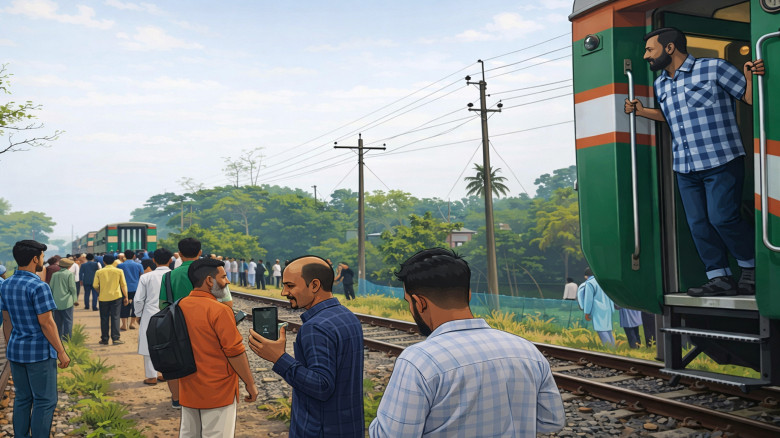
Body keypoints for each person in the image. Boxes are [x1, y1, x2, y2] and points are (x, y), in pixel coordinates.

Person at [625, 27, 765, 297]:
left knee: (723, 218)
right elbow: (671, 116)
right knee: (698, 224)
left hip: (721, 158)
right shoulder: (661, 83)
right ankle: (719, 277)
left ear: (669, 48)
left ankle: (752, 269)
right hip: (685, 165)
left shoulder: (715, 68)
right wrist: (642, 111)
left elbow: (747, 98)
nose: (645, 56)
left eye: (649, 50)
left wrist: (751, 77)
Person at [368, 248, 564, 437]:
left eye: (408, 302)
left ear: (420, 303)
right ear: (468, 294)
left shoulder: (418, 361)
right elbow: (551, 421)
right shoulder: (526, 350)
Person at [249, 256, 364, 437]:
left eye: (290, 286)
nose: (284, 292)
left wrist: (278, 358)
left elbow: (322, 386)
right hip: (348, 427)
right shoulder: (348, 316)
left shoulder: (314, 327)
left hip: (318, 429)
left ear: (314, 285)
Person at [178, 259, 258, 437]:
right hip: (219, 391)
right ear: (209, 280)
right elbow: (235, 352)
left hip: (188, 388)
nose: (227, 281)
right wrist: (250, 383)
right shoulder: (220, 311)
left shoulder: (180, 306)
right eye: (223, 277)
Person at [0, 240, 70, 438]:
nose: (42, 260)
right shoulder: (39, 287)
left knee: (22, 398)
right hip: (39, 353)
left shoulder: (6, 285)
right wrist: (61, 351)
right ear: (34, 258)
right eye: (40, 256)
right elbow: (47, 323)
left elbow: (7, 320)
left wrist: (10, 345)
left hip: (16, 350)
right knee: (45, 401)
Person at [134, 248, 172, 385]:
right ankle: (165, 373)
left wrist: (138, 315)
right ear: (170, 260)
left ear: (154, 260)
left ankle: (151, 376)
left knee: (148, 343)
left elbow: (138, 300)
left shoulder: (146, 277)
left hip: (149, 314)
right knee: (168, 343)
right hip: (170, 313)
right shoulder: (174, 275)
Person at [93, 254, 129, 346]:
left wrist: (100, 292)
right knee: (115, 317)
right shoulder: (119, 271)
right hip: (116, 297)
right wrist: (126, 297)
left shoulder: (99, 272)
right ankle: (115, 338)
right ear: (114, 261)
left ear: (104, 262)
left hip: (103, 297)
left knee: (104, 318)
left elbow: (95, 285)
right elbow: (123, 284)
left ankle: (104, 339)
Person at [580, 268, 615, 346]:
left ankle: (609, 348)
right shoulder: (604, 282)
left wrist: (587, 312)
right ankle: (613, 348)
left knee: (601, 329)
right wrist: (612, 309)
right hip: (608, 309)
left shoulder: (590, 283)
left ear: (586, 276)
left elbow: (588, 300)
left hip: (597, 309)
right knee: (608, 329)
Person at [49, 257, 78, 339]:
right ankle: (67, 338)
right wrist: (75, 299)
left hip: (56, 301)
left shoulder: (54, 274)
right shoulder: (69, 274)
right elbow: (72, 288)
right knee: (68, 321)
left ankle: (58, 338)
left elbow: (51, 287)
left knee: (58, 322)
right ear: (69, 266)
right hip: (67, 302)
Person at [118, 250, 143, 331]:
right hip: (136, 288)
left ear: (124, 256)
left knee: (124, 305)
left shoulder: (120, 266)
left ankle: (124, 324)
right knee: (135, 305)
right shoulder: (139, 265)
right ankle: (132, 323)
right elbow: (142, 276)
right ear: (134, 256)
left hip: (124, 288)